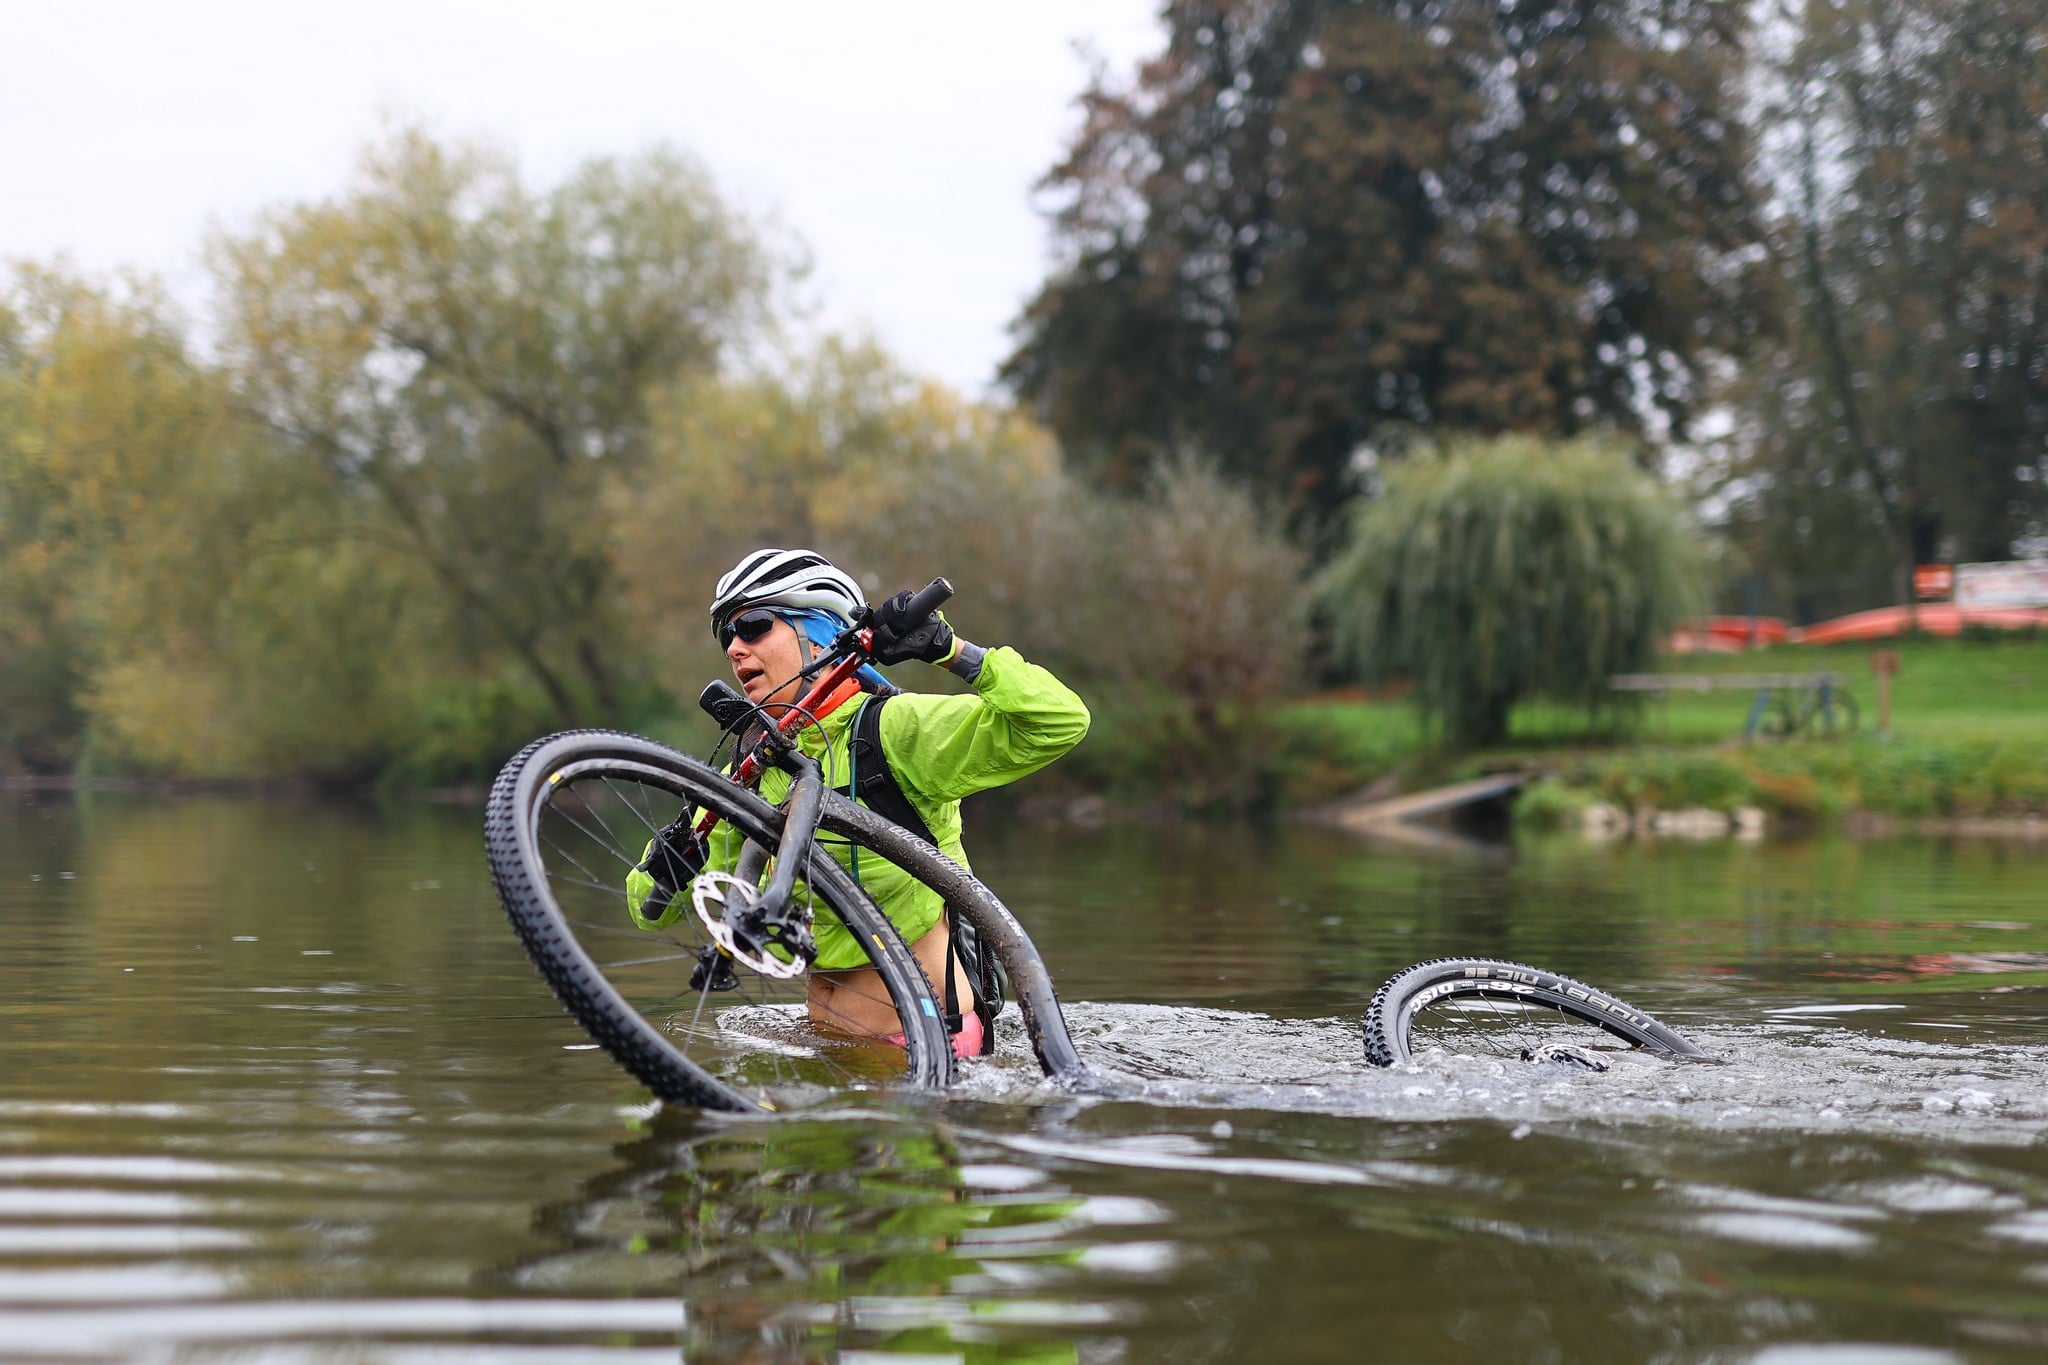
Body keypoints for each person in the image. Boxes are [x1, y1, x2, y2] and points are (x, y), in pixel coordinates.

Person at [627, 548, 1089, 1059]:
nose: (735, 648)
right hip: (824, 1049)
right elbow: (650, 913)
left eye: (754, 626)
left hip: (923, 1046)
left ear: (821, 634)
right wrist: (666, 865)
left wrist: (949, 650)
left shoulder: (894, 729)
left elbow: (1058, 721)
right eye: (727, 637)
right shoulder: (756, 767)